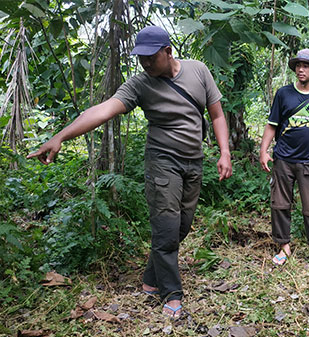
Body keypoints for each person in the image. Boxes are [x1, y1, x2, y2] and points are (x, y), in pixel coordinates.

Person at [27, 26, 233, 319]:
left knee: (181, 227)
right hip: (162, 162)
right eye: (141, 58)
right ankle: (171, 294)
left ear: (168, 52)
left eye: (151, 57)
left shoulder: (198, 71)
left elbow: (217, 114)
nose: (145, 63)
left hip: (194, 161)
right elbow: (101, 110)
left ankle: (151, 279)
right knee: (166, 228)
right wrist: (60, 136)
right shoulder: (139, 85)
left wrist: (224, 152)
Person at [259, 49, 309, 266]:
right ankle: (284, 247)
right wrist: (263, 151)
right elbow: (272, 125)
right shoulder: (284, 94)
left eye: (306, 66)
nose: (300, 69)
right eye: (298, 65)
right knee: (279, 204)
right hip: (283, 159)